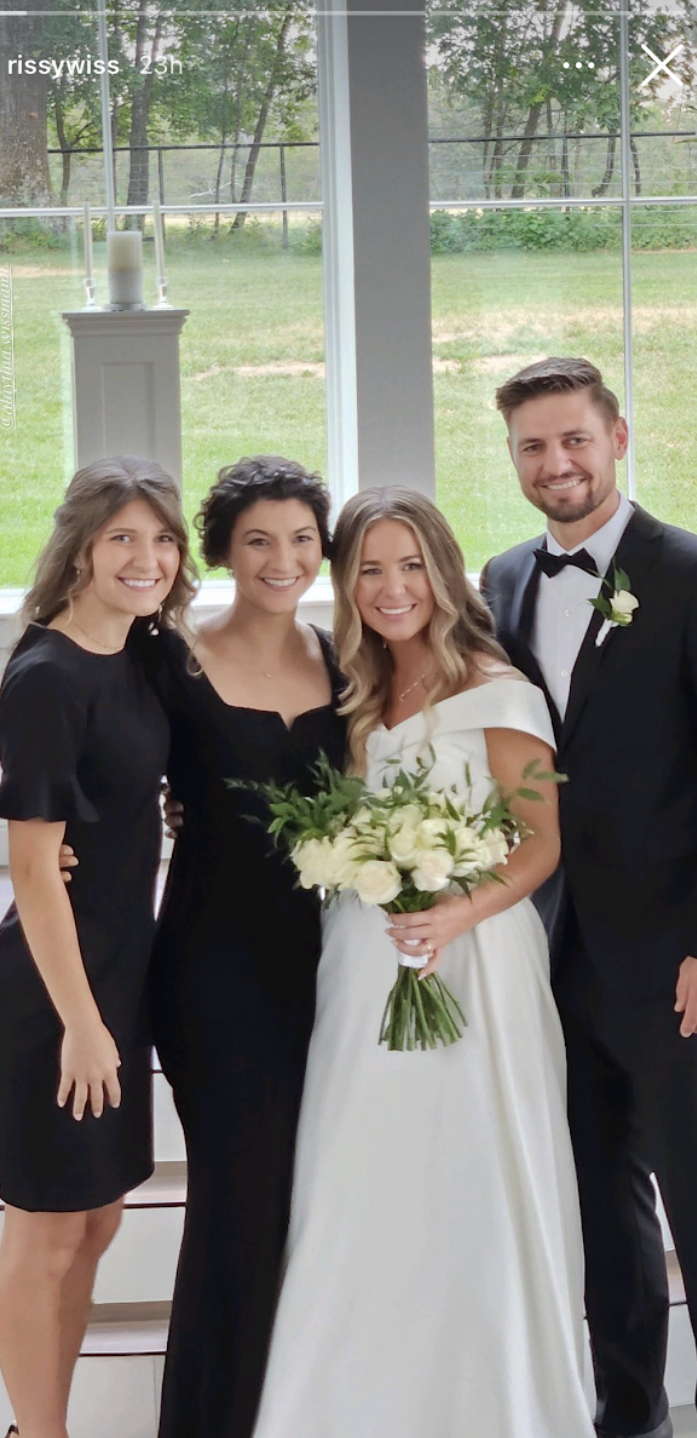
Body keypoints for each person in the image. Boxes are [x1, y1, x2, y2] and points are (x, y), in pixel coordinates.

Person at [251, 487, 595, 1438]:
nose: (391, 587)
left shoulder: (498, 687)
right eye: (369, 568)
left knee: (473, 1170)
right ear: (346, 582)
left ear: (442, 573)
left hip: (476, 964)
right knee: (361, 1172)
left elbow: (539, 842)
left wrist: (454, 916)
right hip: (365, 966)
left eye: (410, 565)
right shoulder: (355, 694)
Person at [481, 356, 697, 1438]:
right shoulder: (503, 578)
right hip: (549, 950)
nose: (555, 463)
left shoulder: (690, 572)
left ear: (618, 435)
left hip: (672, 957)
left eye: (573, 438)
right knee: (600, 1208)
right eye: (531, 445)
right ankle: (631, 1418)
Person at [129, 456, 348, 1438]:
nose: (283, 558)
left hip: (329, 971)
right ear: (219, 549)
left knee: (314, 1200)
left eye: (302, 538)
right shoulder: (169, 661)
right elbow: (99, 771)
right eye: (258, 538)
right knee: (238, 1195)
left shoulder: (349, 658)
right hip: (213, 972)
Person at [0, 456, 196, 1438]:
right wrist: (81, 1024)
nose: (145, 557)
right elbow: (33, 871)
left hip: (120, 969)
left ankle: (41, 1422)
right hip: (56, 989)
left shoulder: (140, 652)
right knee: (45, 1227)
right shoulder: (47, 676)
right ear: (79, 548)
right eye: (122, 537)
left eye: (160, 538)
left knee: (98, 1219)